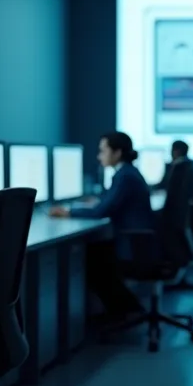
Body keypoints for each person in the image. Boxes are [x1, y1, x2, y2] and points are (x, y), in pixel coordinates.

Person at [50, 131, 152, 321]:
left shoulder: (125, 176)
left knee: (90, 259)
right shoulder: (128, 173)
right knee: (95, 254)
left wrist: (68, 212)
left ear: (117, 153)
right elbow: (110, 202)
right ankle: (126, 308)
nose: (99, 156)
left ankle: (126, 309)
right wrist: (97, 201)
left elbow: (100, 212)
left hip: (132, 246)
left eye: (103, 151)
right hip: (137, 242)